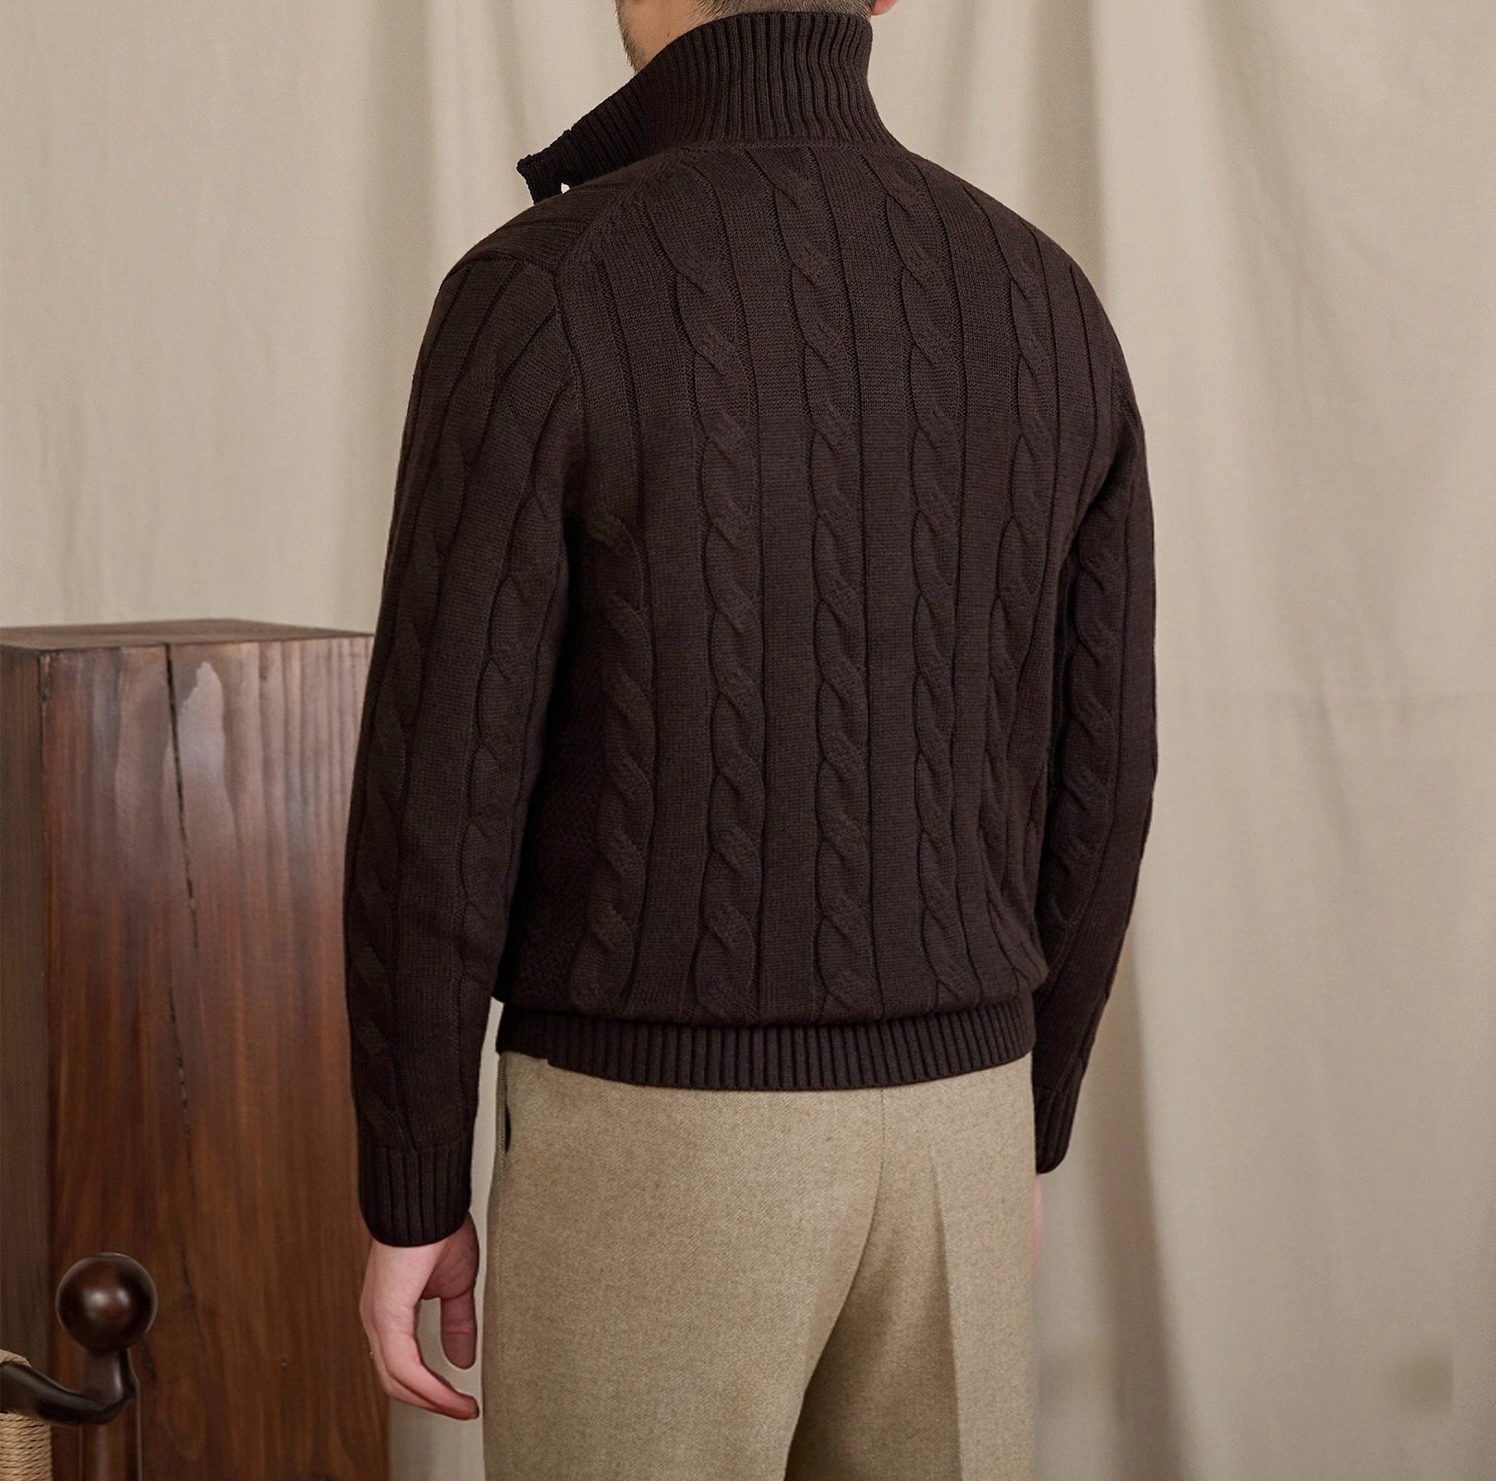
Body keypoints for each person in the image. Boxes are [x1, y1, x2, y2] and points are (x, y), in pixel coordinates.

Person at [343, 0, 1157, 1475]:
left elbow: (440, 794)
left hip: (655, 1144)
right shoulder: (1044, 297)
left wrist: (411, 1186)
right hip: (960, 1130)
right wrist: (1018, 1126)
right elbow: (1104, 781)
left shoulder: (543, 289)